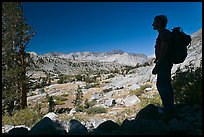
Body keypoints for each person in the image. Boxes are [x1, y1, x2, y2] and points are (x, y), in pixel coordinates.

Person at [152, 15, 174, 114]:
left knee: (162, 85)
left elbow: (164, 51)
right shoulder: (163, 33)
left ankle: (168, 109)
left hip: (164, 63)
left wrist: (157, 66)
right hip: (166, 62)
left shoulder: (163, 33)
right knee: (166, 84)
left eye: (154, 22)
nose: (152, 24)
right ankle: (171, 107)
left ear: (159, 23)